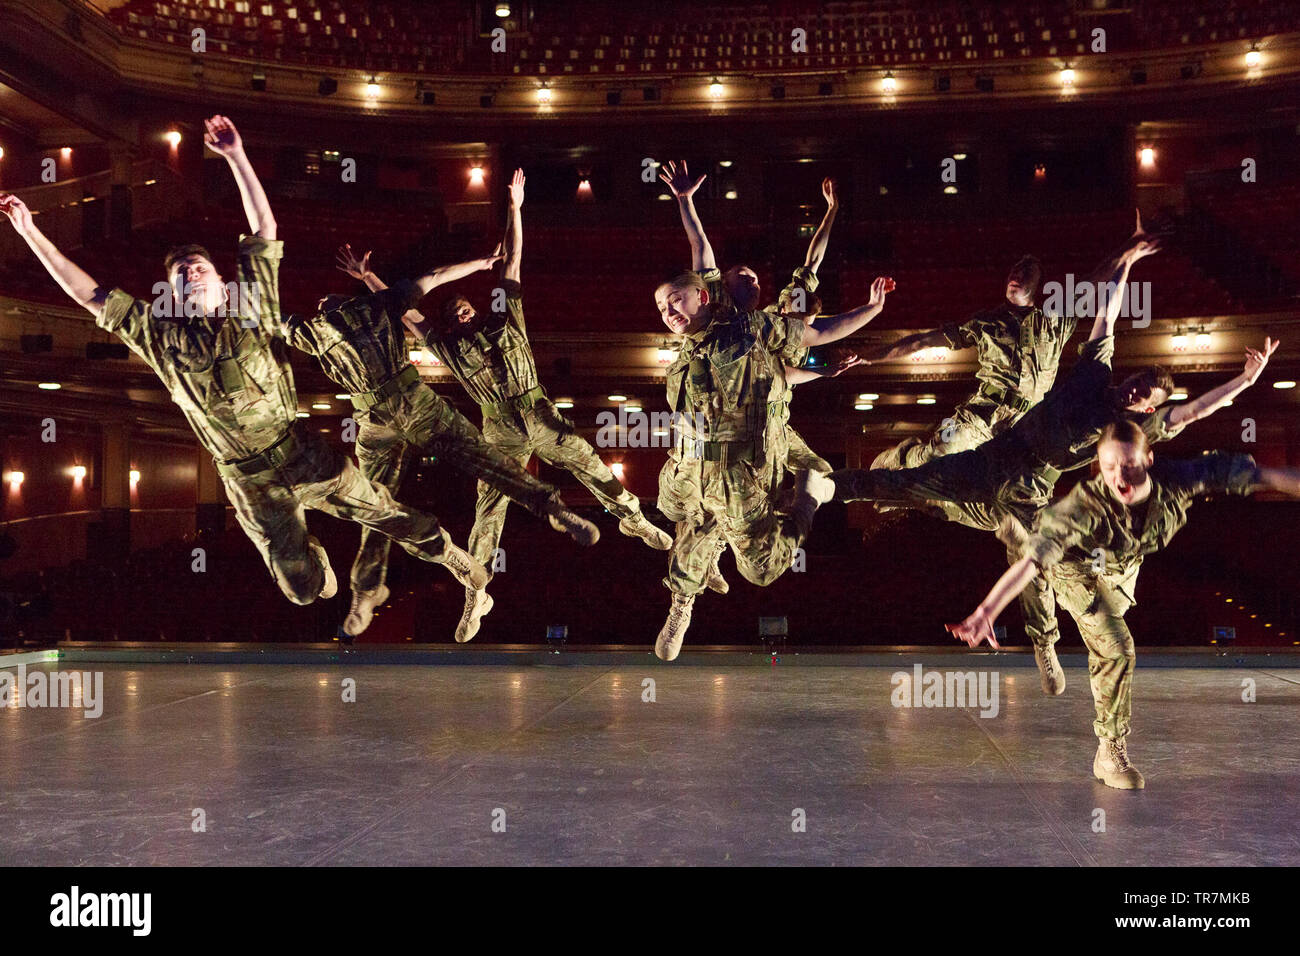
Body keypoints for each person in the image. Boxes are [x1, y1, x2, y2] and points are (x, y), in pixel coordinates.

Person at [0, 115, 487, 608]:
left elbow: (263, 227)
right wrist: (31, 232)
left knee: (383, 512)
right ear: (173, 290)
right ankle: (311, 560)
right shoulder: (158, 336)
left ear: (218, 279)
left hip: (297, 450)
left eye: (200, 266)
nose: (191, 271)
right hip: (245, 477)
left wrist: (235, 156)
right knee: (300, 592)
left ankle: (452, 557)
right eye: (181, 272)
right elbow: (91, 296)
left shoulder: (255, 307)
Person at [351, 170, 674, 643]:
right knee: (490, 509)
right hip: (499, 428)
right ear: (450, 322)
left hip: (538, 411)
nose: (461, 312)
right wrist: (368, 277)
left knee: (587, 462)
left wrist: (516, 209)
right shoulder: (445, 346)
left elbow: (513, 260)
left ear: (476, 309)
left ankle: (634, 519)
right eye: (453, 312)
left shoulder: (506, 318)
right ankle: (477, 592)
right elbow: (403, 309)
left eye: (465, 307)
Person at [946, 420, 1300, 789]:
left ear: (1148, 458)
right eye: (1110, 467)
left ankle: (1022, 543)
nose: (1121, 476)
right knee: (1111, 641)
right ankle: (1106, 747)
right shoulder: (1084, 505)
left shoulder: (1179, 478)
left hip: (1119, 575)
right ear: (1098, 465)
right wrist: (986, 611)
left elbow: (1263, 475)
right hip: (1077, 571)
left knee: (1033, 549)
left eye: (1129, 465)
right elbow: (1035, 561)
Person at [287, 245, 600, 639]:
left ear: (349, 304)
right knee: (374, 504)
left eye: (327, 301)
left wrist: (480, 263)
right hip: (374, 419)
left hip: (416, 403)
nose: (320, 302)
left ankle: (551, 508)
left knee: (482, 457)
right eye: (319, 305)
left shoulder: (379, 306)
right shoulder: (314, 331)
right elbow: (262, 318)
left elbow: (434, 276)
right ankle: (369, 589)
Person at [653, 159, 894, 661]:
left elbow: (816, 313)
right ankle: (685, 597)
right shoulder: (711, 316)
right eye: (738, 275)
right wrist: (684, 200)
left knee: (807, 487)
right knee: (683, 515)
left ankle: (806, 500)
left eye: (753, 276)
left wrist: (870, 310)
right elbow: (701, 250)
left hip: (764, 434)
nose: (748, 278)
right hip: (703, 449)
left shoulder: (770, 323)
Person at [860, 211, 1159, 470]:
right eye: (1014, 270)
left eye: (1026, 271)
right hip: (980, 413)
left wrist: (1130, 248)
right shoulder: (985, 323)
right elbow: (923, 341)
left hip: (1029, 422)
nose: (1016, 274)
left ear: (1037, 283)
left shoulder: (1055, 317)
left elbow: (1097, 280)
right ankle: (900, 458)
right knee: (941, 451)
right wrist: (871, 356)